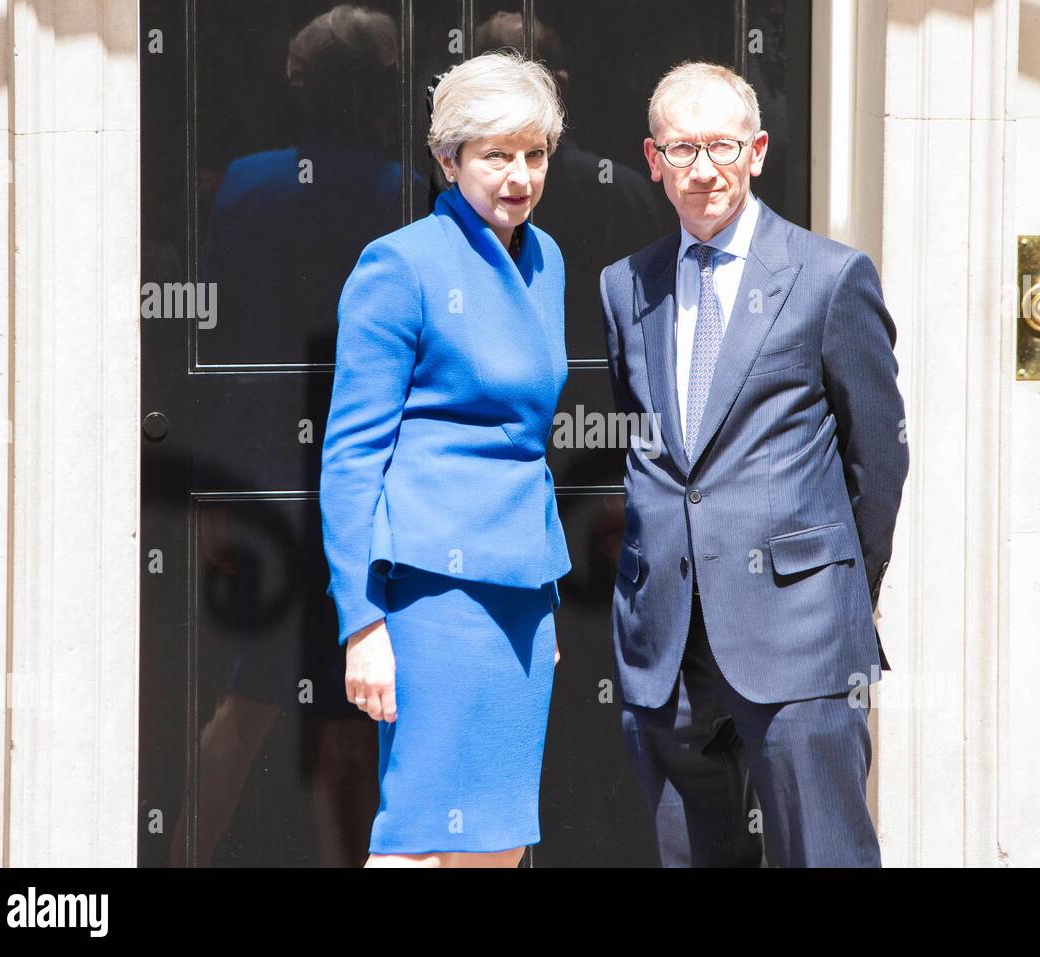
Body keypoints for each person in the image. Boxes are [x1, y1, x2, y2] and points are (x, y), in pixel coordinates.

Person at [599, 61, 909, 866]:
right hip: (667, 639)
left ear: (759, 150)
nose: (703, 169)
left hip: (800, 632)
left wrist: (845, 587)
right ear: (652, 158)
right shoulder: (624, 286)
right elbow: (655, 439)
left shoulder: (830, 278)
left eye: (723, 146)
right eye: (682, 148)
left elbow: (878, 455)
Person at [319, 50, 571, 868]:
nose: (519, 176)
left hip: (521, 594)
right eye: (496, 154)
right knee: (422, 840)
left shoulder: (549, 260)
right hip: (433, 593)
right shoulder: (399, 266)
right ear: (448, 159)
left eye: (534, 154)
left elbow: (525, 445)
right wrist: (362, 623)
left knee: (500, 841)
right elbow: (352, 457)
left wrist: (544, 596)